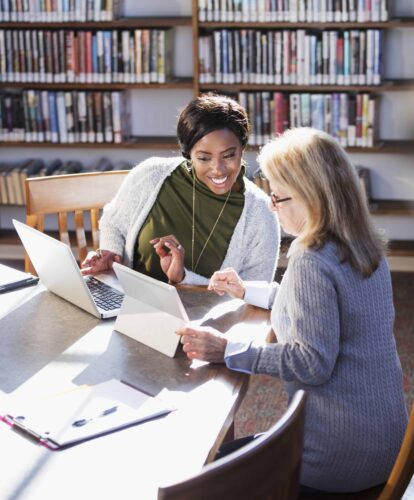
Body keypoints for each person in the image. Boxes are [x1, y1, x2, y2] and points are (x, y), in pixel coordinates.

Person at [177, 127, 408, 494]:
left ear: (310, 197)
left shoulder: (310, 257)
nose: (271, 206)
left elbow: (310, 362)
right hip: (384, 444)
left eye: (278, 197)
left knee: (201, 470)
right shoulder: (362, 242)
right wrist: (247, 290)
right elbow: (322, 307)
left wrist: (227, 351)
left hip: (338, 458)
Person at [81, 94, 279, 285]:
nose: (218, 169)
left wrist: (184, 278)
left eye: (228, 155)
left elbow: (253, 298)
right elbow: (113, 224)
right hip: (129, 307)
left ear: (242, 149)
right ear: (188, 154)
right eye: (204, 158)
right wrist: (110, 254)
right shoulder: (151, 174)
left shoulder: (262, 214)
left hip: (201, 319)